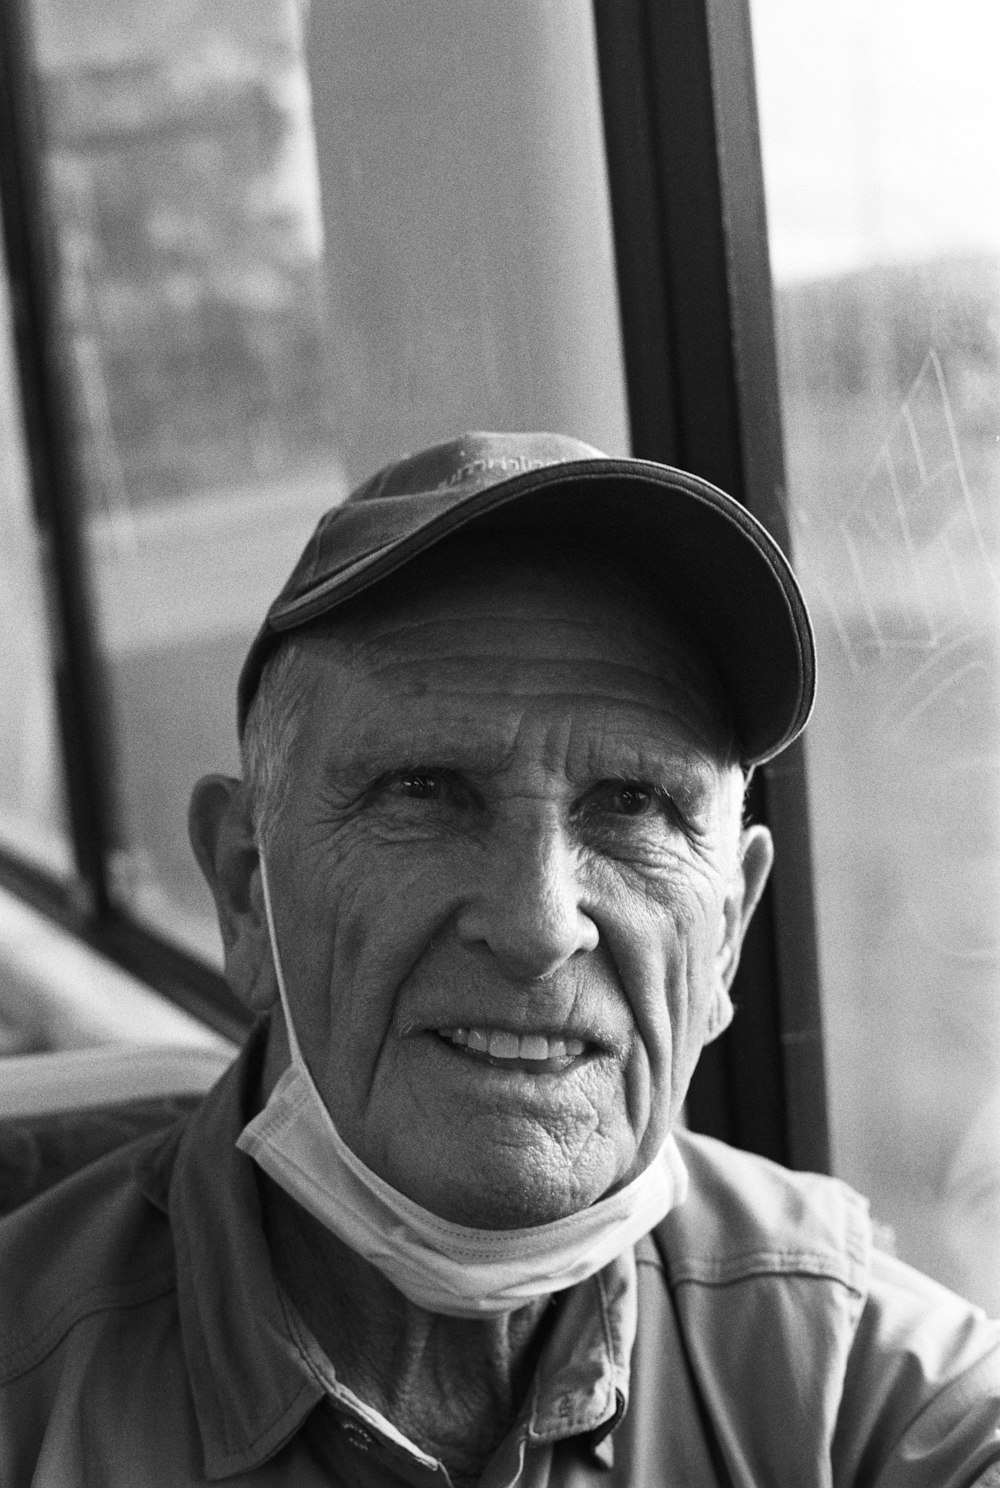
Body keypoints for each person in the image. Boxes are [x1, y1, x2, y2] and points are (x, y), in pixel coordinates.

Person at [1, 430, 999, 1486]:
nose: (536, 926)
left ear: (730, 932)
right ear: (248, 891)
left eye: (632, 803)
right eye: (424, 792)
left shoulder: (860, 1389)